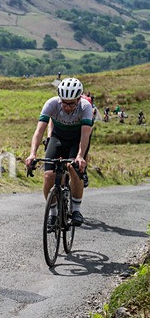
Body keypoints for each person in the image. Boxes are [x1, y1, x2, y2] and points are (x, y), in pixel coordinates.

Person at [25, 78, 93, 228]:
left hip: (77, 139)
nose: (68, 107)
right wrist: (32, 154)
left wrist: (80, 156)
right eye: (64, 102)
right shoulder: (51, 104)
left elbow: (85, 135)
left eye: (72, 103)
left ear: (78, 98)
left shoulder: (85, 107)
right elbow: (39, 131)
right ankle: (53, 213)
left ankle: (76, 210)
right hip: (58, 138)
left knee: (73, 169)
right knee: (49, 175)